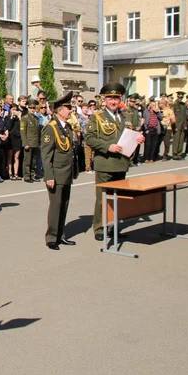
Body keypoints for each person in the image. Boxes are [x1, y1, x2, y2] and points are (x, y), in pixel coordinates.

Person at [85, 83, 144, 241]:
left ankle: (113, 226)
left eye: (116, 98)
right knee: (103, 198)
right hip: (105, 163)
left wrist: (138, 139)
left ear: (120, 99)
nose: (113, 101)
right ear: (104, 100)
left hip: (121, 163)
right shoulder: (97, 117)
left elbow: (129, 136)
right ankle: (100, 228)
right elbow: (89, 138)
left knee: (118, 199)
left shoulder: (125, 116)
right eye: (110, 98)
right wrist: (107, 146)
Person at [42, 92, 78, 250]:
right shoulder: (50, 128)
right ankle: (51, 238)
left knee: (64, 205)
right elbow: (46, 155)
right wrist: (49, 176)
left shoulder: (67, 126)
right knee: (56, 205)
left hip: (67, 172)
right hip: (56, 173)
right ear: (60, 110)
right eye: (68, 108)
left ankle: (61, 235)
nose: (71, 110)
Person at [20, 99, 40, 183]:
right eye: (31, 108)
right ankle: (27, 176)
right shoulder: (24, 118)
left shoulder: (36, 118)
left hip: (35, 143)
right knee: (27, 161)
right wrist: (25, 143)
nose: (32, 109)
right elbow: (22, 132)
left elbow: (37, 132)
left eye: (34, 108)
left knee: (34, 161)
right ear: (28, 108)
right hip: (28, 143)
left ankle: (32, 175)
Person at [172, 91, 188, 159]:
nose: (180, 98)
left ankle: (179, 153)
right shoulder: (174, 104)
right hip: (177, 125)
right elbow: (173, 116)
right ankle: (174, 154)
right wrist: (174, 126)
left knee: (181, 140)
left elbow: (185, 116)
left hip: (183, 125)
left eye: (181, 97)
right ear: (177, 96)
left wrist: (185, 125)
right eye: (179, 97)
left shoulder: (184, 105)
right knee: (176, 140)